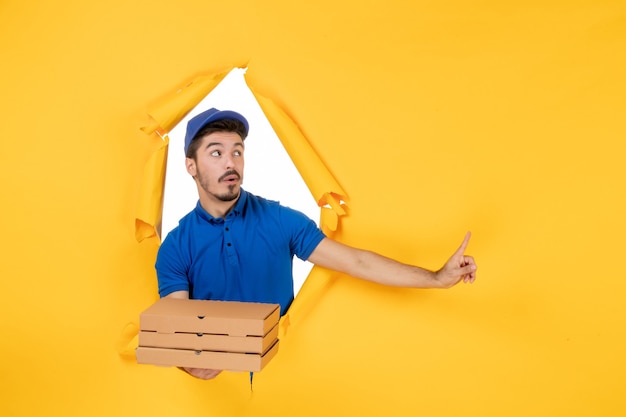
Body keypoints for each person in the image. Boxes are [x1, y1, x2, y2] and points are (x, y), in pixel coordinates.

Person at [155, 108, 477, 380]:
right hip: (219, 399)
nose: (231, 163)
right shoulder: (176, 246)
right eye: (216, 152)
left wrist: (436, 278)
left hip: (289, 381)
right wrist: (202, 356)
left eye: (237, 151)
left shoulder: (281, 220)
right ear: (191, 166)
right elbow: (183, 342)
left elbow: (356, 262)